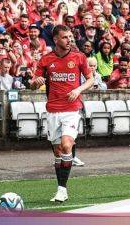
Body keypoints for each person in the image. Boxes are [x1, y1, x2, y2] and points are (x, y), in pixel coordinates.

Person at [30, 25, 94, 202]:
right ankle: (61, 189)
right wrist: (37, 82)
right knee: (58, 152)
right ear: (56, 39)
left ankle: (62, 189)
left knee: (67, 145)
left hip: (72, 109)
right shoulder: (46, 60)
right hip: (53, 111)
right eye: (65, 37)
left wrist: (78, 89)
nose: (69, 40)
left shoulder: (79, 57)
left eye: (70, 37)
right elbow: (32, 84)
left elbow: (91, 79)